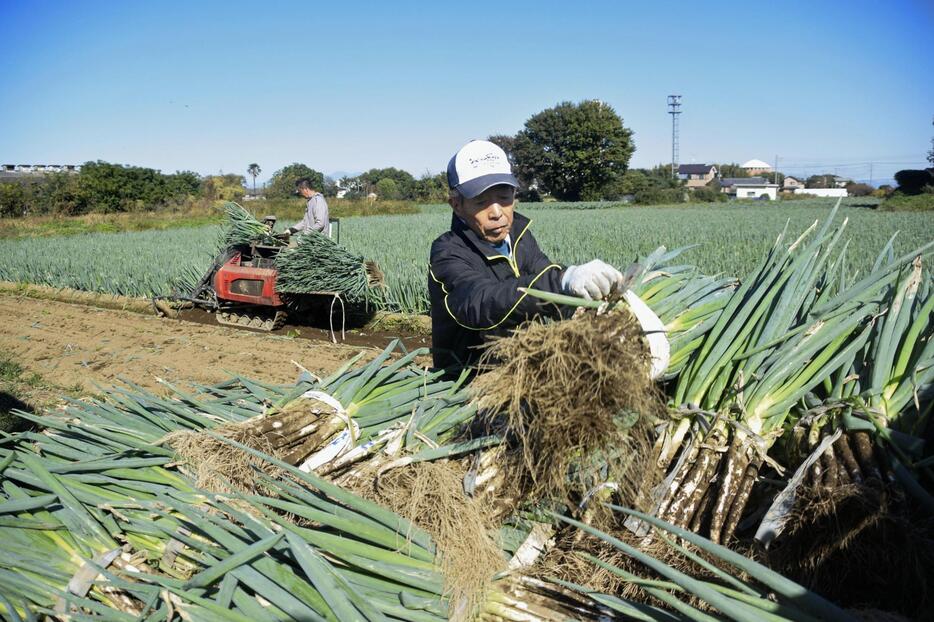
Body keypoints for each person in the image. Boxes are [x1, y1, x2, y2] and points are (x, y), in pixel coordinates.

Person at [428, 139, 625, 374]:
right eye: (481, 202)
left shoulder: (520, 235)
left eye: (504, 197)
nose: (497, 213)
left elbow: (544, 273)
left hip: (518, 366)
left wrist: (587, 306)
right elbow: (481, 302)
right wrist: (561, 283)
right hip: (466, 380)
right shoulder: (448, 252)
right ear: (457, 205)